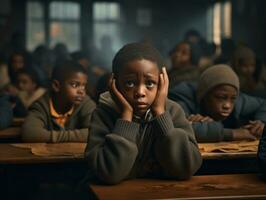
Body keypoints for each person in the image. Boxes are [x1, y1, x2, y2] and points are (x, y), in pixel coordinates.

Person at [84, 42, 202, 184]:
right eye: (130, 83)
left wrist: (160, 114)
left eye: (150, 83)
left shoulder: (173, 111)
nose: (140, 92)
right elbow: (110, 173)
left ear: (163, 82)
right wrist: (126, 116)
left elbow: (185, 169)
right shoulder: (103, 114)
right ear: (114, 84)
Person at [169, 64, 266, 143]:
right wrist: (232, 133)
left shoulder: (237, 100)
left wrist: (261, 122)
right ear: (204, 95)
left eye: (233, 98)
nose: (227, 105)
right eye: (220, 97)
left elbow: (263, 104)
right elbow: (179, 128)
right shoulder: (182, 98)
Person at [21, 60, 96, 142]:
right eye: (74, 85)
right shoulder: (41, 106)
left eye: (83, 86)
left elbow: (94, 133)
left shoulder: (86, 103)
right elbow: (30, 134)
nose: (81, 91)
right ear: (56, 86)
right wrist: (76, 136)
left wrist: (52, 136)